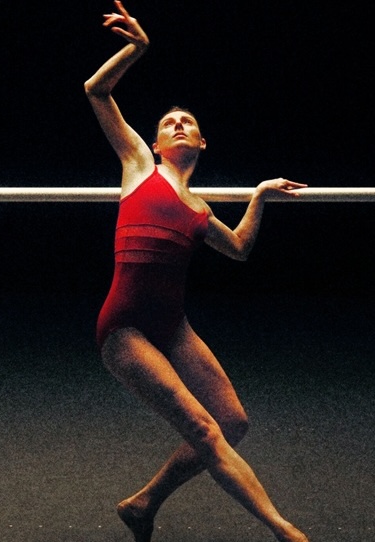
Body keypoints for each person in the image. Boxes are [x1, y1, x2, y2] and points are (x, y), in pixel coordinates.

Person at [85, 2, 310, 541]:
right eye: (168, 122)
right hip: (126, 329)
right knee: (206, 430)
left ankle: (142, 505)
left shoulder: (202, 210)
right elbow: (96, 91)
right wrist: (137, 47)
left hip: (172, 324)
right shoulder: (139, 165)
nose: (178, 124)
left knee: (233, 422)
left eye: (188, 122)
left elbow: (236, 249)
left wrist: (258, 195)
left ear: (202, 142)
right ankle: (285, 531)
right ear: (158, 142)